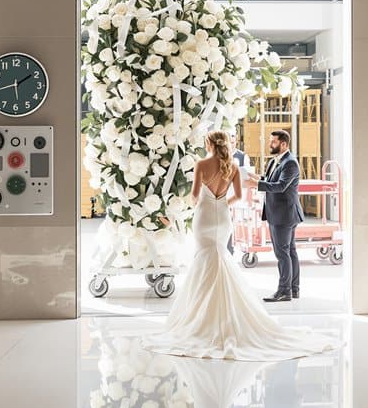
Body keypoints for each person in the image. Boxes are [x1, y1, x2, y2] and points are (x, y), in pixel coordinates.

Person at [143, 130, 338, 361]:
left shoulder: (201, 165)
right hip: (223, 217)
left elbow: (194, 197)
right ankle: (233, 308)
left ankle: (202, 314)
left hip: (204, 217)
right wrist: (221, 203)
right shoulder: (233, 167)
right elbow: (237, 196)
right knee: (221, 255)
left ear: (209, 144)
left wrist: (190, 207)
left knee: (205, 257)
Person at [244, 130, 303, 302]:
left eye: (273, 142)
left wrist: (255, 184)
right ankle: (294, 289)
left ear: (284, 144)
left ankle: (284, 291)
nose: (270, 144)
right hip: (281, 213)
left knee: (282, 253)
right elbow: (269, 179)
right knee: (290, 251)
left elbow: (280, 186)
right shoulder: (275, 161)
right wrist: (254, 176)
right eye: (270, 141)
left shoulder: (290, 163)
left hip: (284, 214)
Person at [226, 131, 249, 255]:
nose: (231, 145)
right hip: (224, 194)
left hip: (237, 194)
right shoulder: (220, 156)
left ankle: (233, 246)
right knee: (226, 222)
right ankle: (227, 248)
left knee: (235, 222)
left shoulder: (242, 156)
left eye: (233, 142)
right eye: (229, 142)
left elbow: (247, 175)